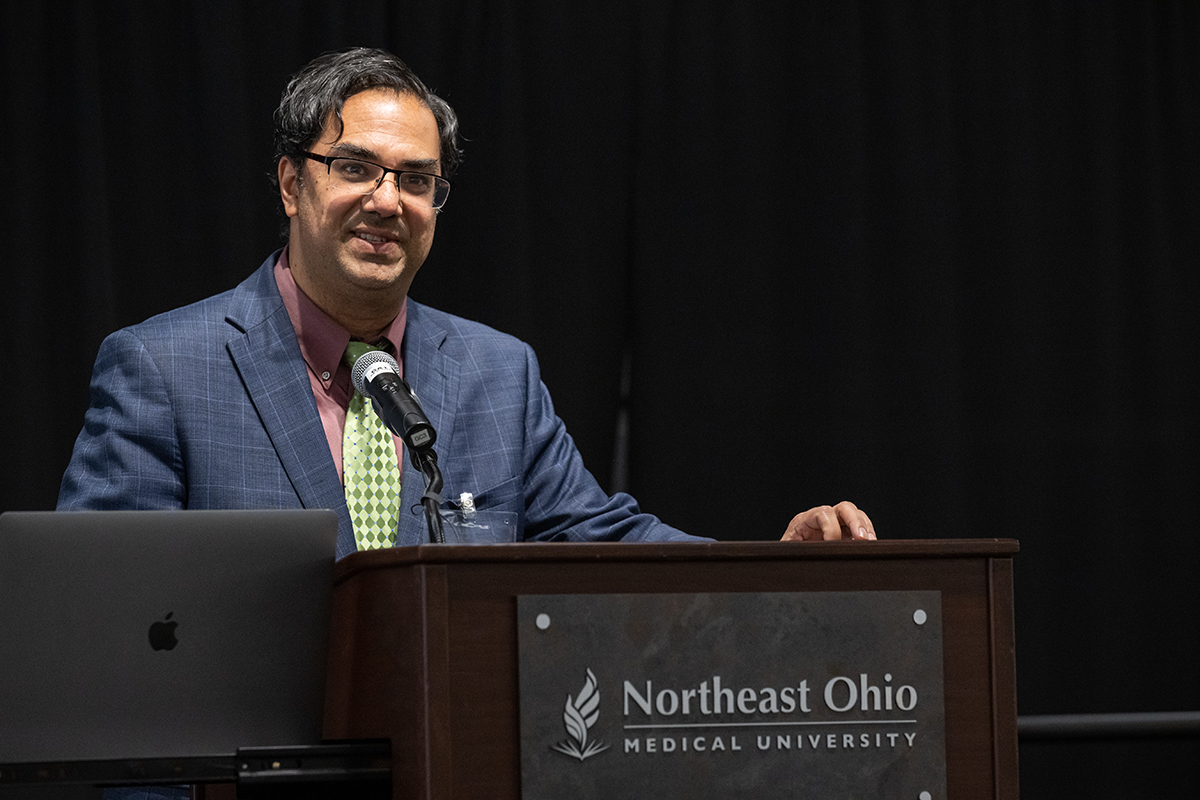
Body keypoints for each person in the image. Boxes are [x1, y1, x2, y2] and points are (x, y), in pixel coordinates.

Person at [58, 47, 875, 560]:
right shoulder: (164, 368)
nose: (389, 201)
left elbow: (602, 541)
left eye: (417, 181)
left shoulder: (496, 372)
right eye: (356, 168)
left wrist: (771, 561)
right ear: (289, 182)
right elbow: (104, 618)